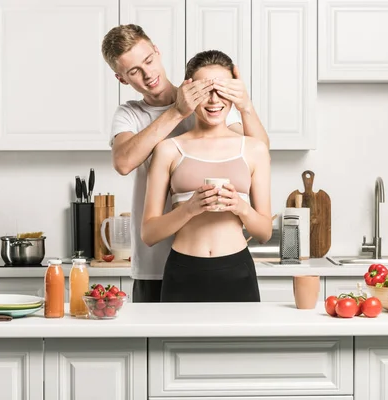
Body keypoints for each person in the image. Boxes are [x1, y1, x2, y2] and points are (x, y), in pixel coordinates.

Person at [101, 24, 269, 303]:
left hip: (225, 258)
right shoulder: (130, 115)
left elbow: (258, 149)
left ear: (157, 52)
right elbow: (123, 162)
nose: (148, 74)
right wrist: (178, 111)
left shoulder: (208, 102)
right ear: (121, 78)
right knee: (159, 346)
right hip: (156, 263)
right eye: (134, 71)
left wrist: (245, 106)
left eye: (149, 61)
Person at [141, 50, 272, 302]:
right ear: (189, 92)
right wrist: (189, 209)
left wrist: (241, 208)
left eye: (222, 90)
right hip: (182, 273)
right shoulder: (168, 149)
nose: (214, 100)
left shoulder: (254, 149)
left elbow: (264, 232)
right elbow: (149, 234)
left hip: (237, 272)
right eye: (204, 91)